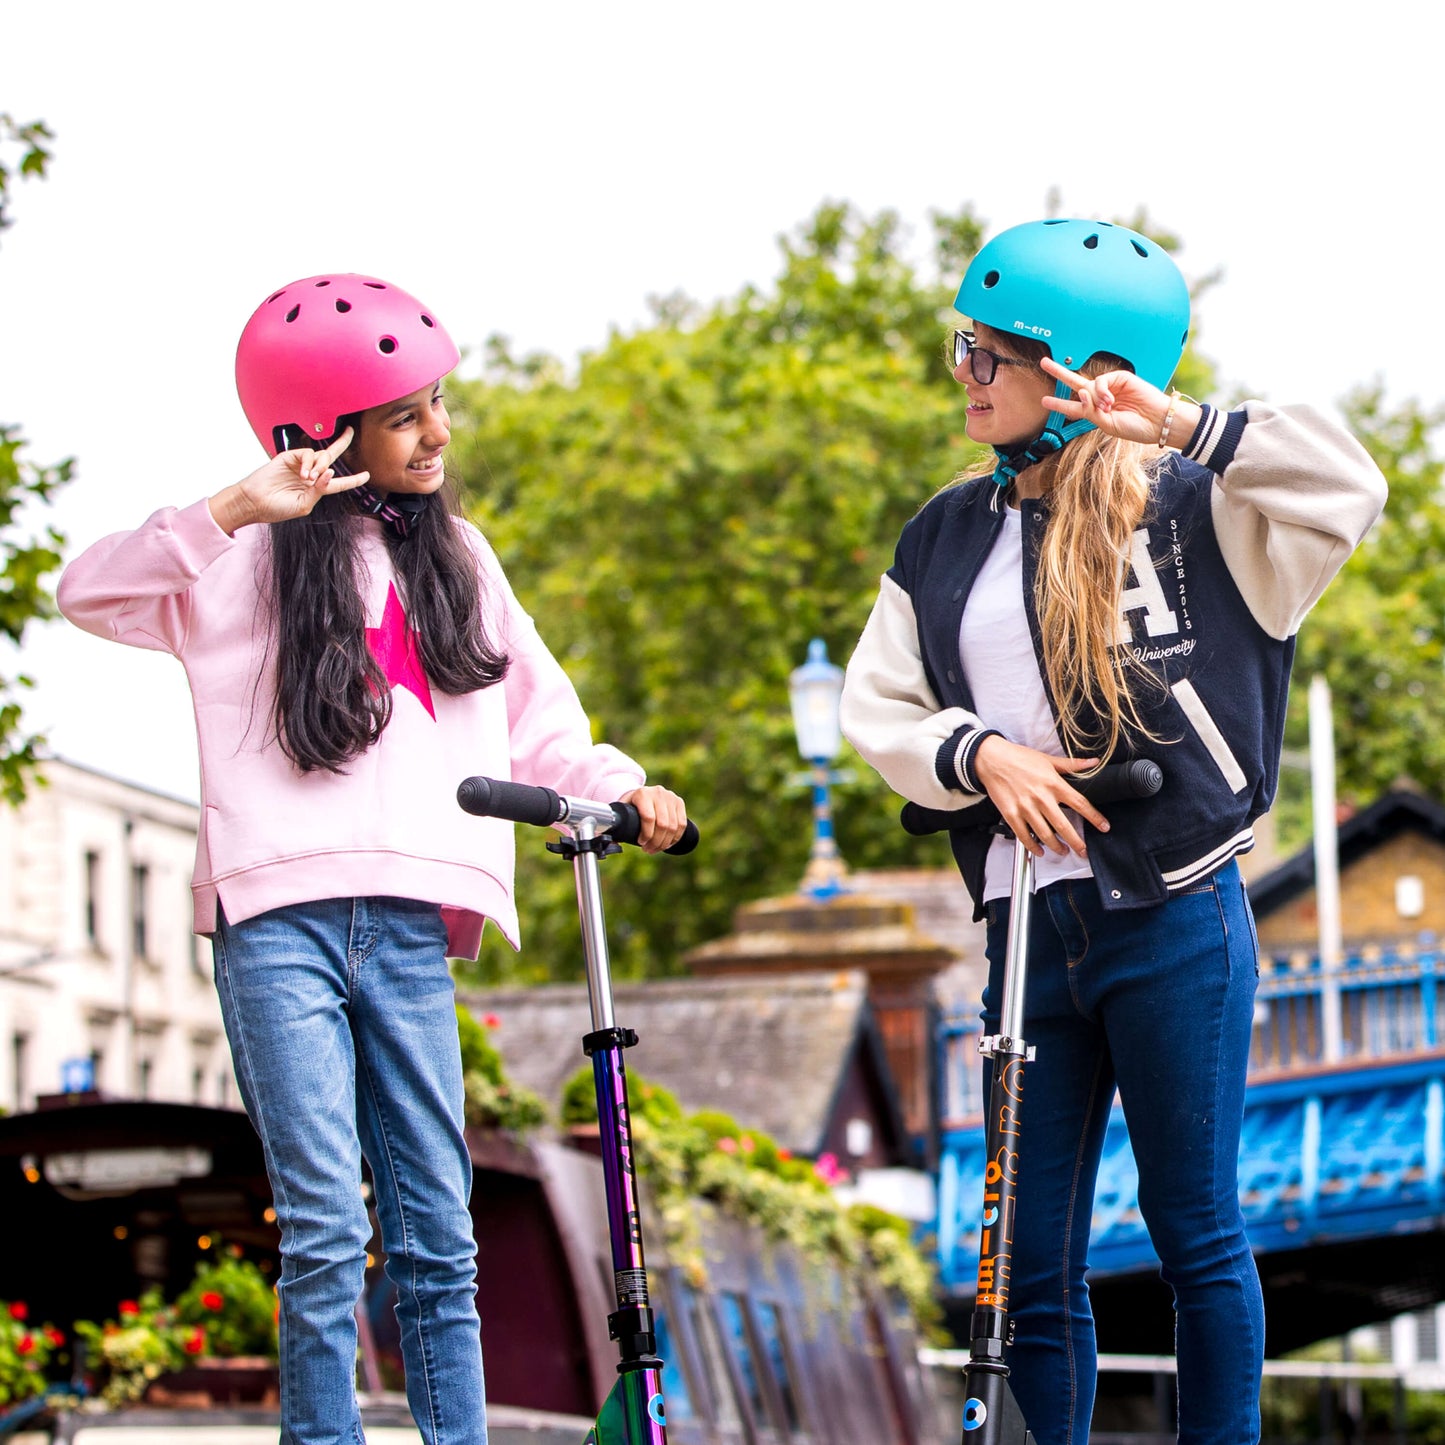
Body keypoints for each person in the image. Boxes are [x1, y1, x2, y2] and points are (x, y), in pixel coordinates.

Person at [58, 273, 688, 1445]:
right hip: (277, 923)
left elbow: (539, 716)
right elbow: (85, 589)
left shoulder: (460, 555)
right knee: (323, 1229)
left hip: (408, 923)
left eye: (436, 403)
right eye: (407, 414)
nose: (438, 432)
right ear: (322, 431)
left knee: (438, 1232)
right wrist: (234, 507)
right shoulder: (233, 563)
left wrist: (617, 787)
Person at [839, 219, 1386, 1445]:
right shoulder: (941, 533)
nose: (966, 374)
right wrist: (977, 754)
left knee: (1196, 1234)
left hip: (1177, 915)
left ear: (1080, 369)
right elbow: (878, 705)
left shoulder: (1206, 510)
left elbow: (1351, 483)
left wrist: (1180, 421)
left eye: (991, 353)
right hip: (1026, 924)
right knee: (1029, 1256)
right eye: (962, 350)